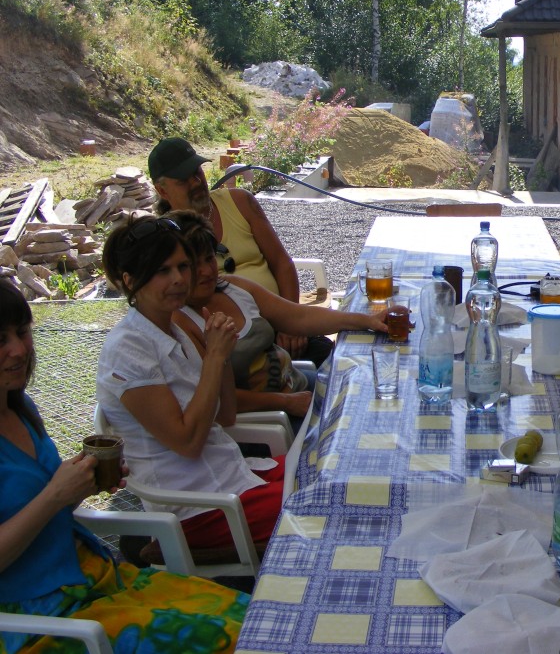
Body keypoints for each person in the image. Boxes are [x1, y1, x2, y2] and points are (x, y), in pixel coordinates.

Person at [0, 279, 249, 653]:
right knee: (231, 638)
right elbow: (44, 503)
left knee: (255, 615)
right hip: (46, 618)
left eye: (22, 332)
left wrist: (80, 484)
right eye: (0, 339)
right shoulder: (130, 349)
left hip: (97, 577)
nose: (19, 349)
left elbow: (38, 505)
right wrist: (54, 496)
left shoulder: (20, 409)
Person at [95, 216, 283, 551]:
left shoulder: (173, 329)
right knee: (324, 501)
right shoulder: (128, 349)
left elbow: (225, 415)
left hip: (232, 475)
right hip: (198, 509)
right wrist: (213, 358)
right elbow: (188, 442)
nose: (179, 279)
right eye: (162, 271)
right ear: (130, 280)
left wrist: (221, 354)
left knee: (327, 466)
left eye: (183, 266)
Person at [166, 210, 389, 421]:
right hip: (272, 417)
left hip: (299, 385)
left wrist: (366, 320)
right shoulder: (179, 322)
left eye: (209, 258)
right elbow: (215, 399)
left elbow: (299, 317)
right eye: (194, 265)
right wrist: (286, 402)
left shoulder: (232, 288)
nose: (207, 270)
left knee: (372, 386)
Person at [149, 136, 333, 367]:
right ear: (162, 190)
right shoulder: (164, 238)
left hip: (281, 325)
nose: (196, 182)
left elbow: (281, 263)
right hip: (232, 346)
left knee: (336, 359)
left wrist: (291, 324)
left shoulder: (239, 202)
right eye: (183, 180)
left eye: (197, 173)